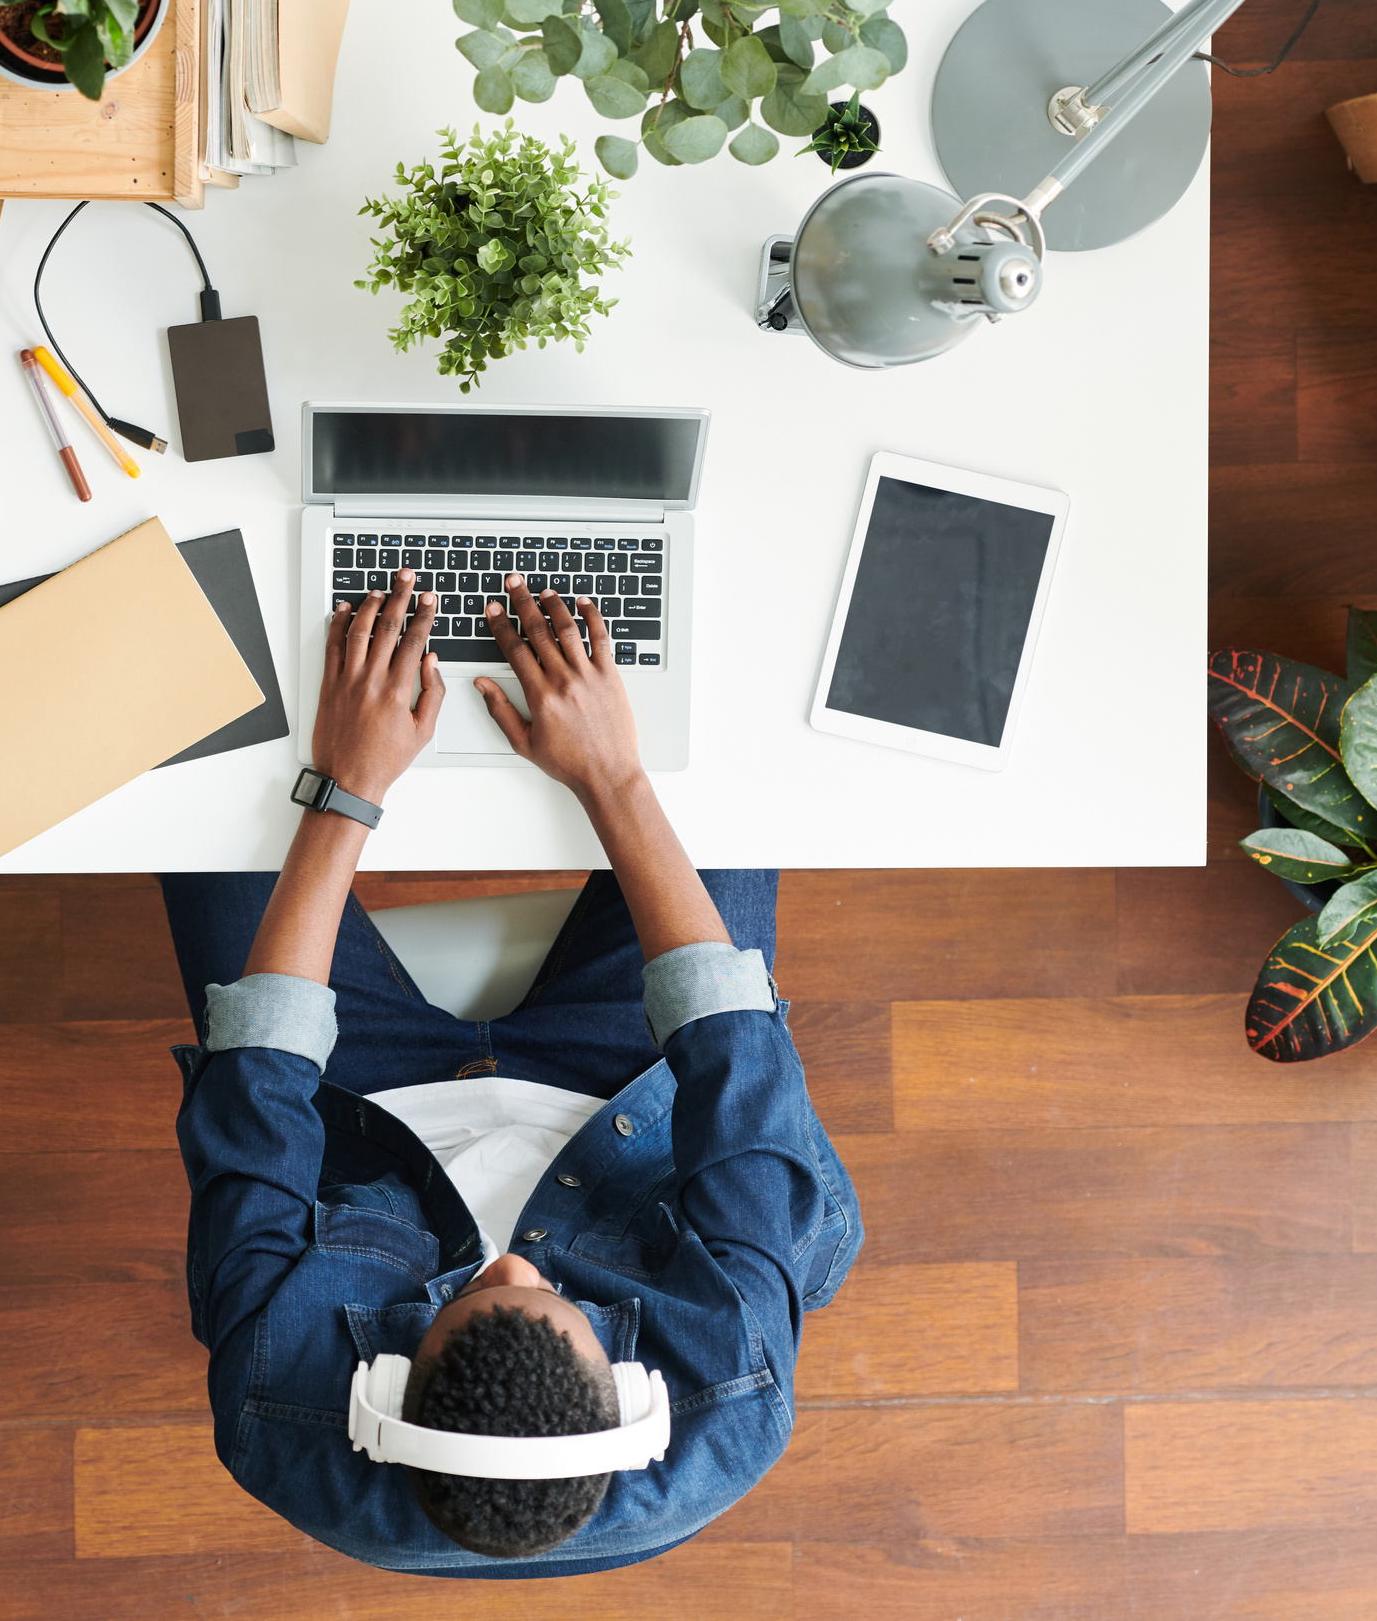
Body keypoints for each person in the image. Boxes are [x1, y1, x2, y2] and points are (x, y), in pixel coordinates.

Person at [163, 568, 861, 1578]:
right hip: (626, 1098)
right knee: (716, 737)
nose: (510, 1259)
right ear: (629, 1383)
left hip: (363, 1115)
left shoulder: (281, 1406)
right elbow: (734, 1064)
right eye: (550, 1294)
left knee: (190, 770)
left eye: (468, 1292)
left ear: (389, 1377)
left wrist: (348, 788)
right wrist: (609, 775)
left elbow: (256, 1089)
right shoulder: (726, 1385)